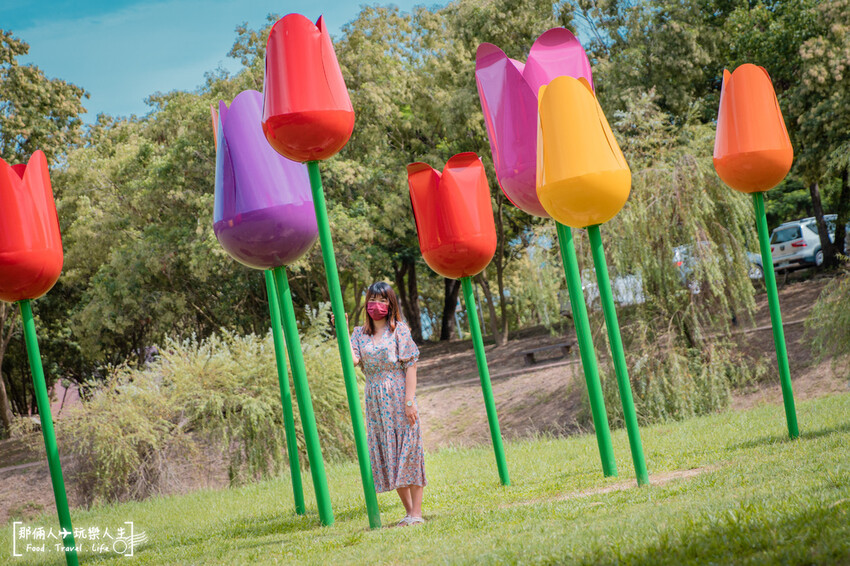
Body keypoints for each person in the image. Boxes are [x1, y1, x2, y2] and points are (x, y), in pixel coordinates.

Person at [347, 281, 426, 526]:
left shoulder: (399, 331)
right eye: (373, 299)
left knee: (409, 449)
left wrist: (410, 400)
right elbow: (352, 361)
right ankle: (408, 512)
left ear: (390, 304)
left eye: (382, 300)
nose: (377, 305)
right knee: (389, 453)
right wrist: (340, 332)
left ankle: (417, 513)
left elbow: (410, 364)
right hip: (375, 400)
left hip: (399, 395)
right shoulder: (359, 334)